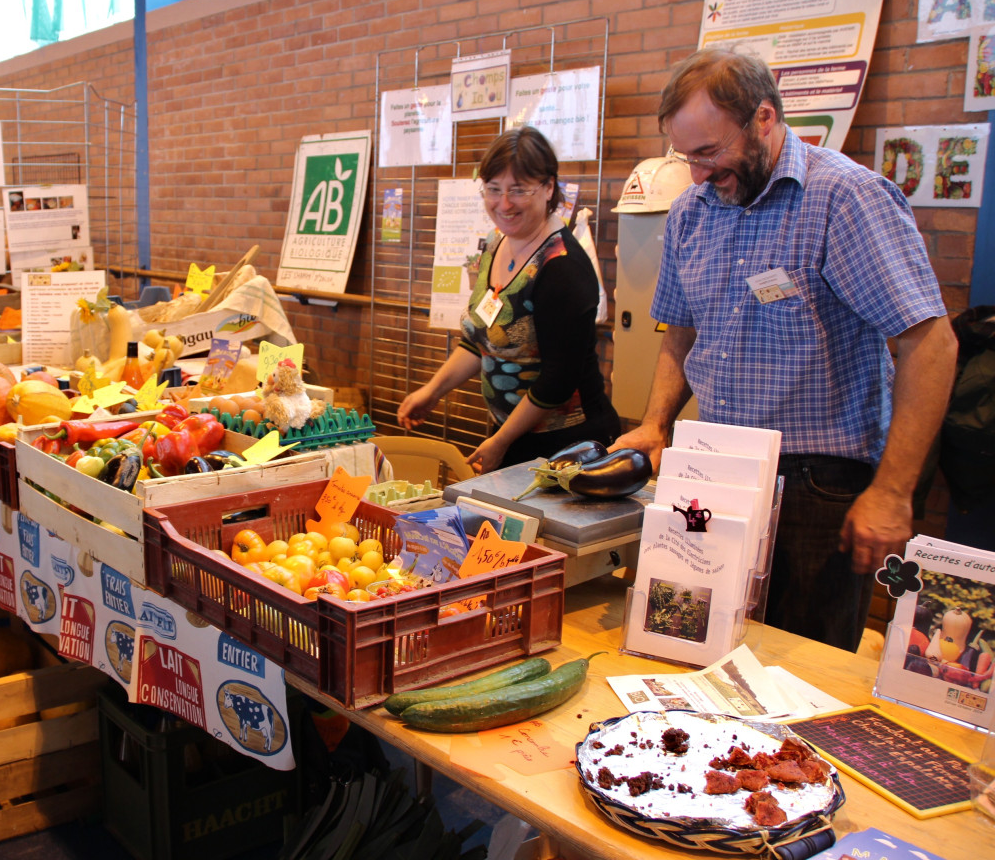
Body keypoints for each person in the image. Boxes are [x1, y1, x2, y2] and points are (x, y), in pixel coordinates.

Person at [612, 48, 958, 651]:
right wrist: (655, 423)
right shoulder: (693, 212)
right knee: (703, 649)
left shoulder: (845, 199)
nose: (696, 174)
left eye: (710, 153)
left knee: (800, 675)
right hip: (717, 471)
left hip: (817, 487)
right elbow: (682, 330)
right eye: (685, 156)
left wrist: (894, 491)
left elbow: (931, 344)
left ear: (764, 118)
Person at [397, 126, 619, 473]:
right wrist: (433, 390)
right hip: (513, 435)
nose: (503, 204)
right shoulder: (495, 243)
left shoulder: (562, 266)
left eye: (518, 190)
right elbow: (480, 340)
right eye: (494, 189)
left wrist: (502, 441)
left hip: (569, 446)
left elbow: (558, 381)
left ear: (548, 188)